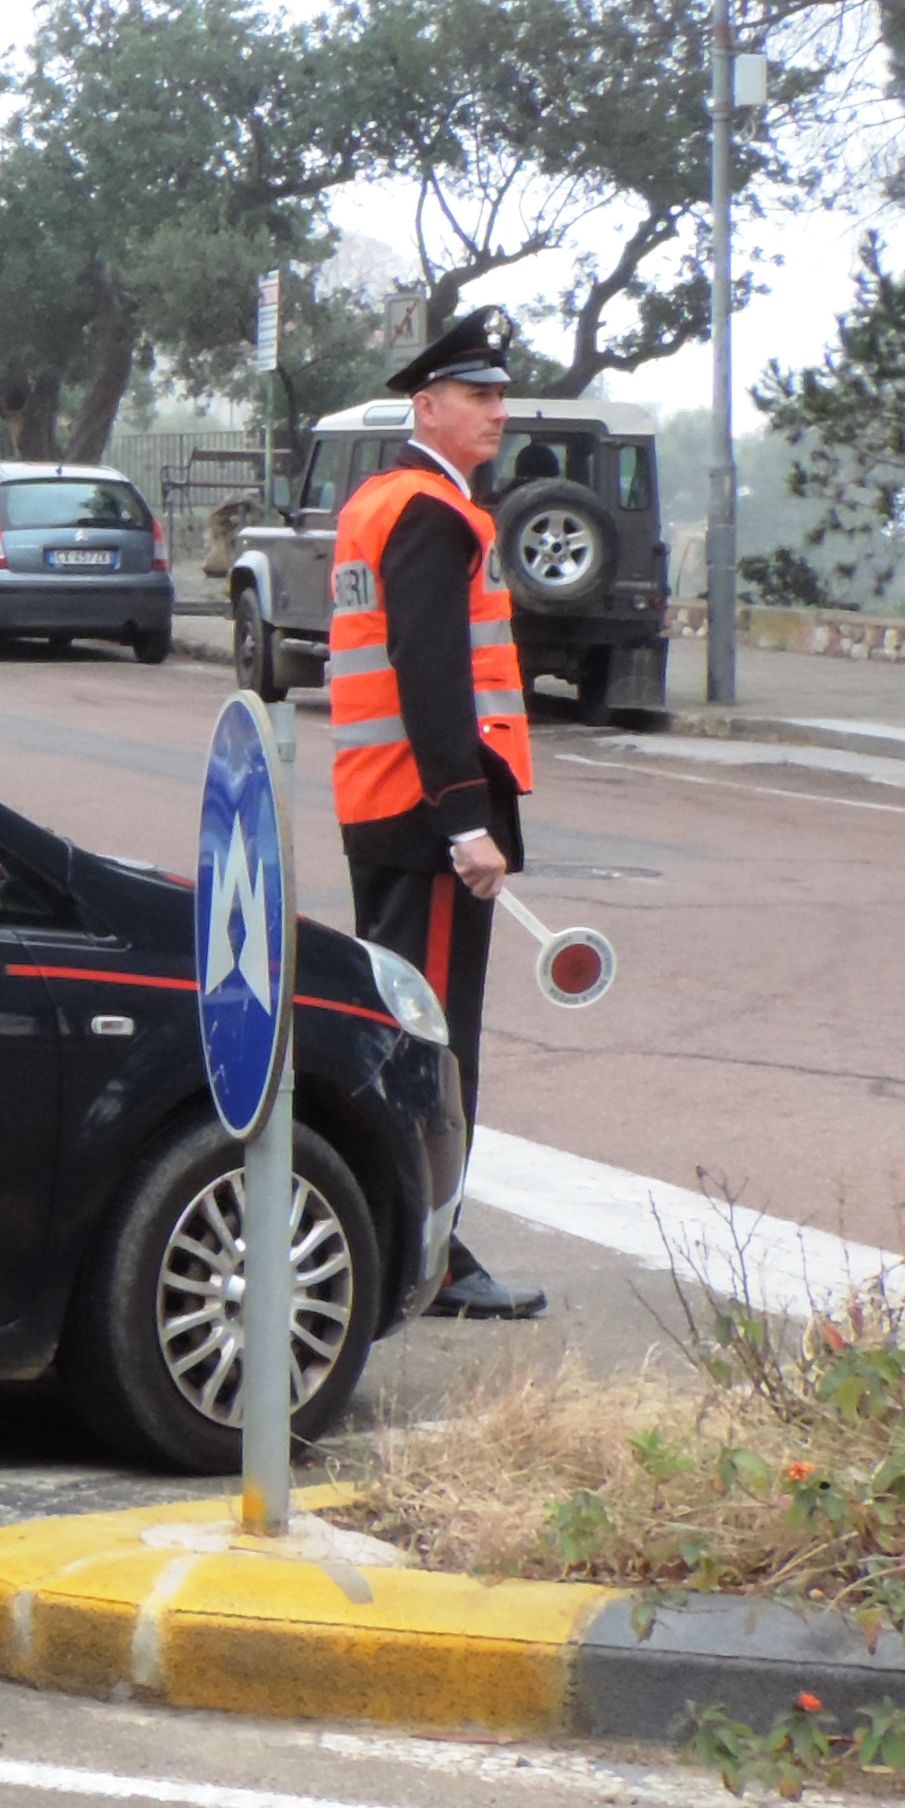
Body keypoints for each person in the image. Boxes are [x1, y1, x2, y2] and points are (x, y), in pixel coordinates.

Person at [327, 306, 546, 1321]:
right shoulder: (435, 512)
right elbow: (432, 675)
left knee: (397, 1027)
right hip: (430, 820)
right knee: (438, 1045)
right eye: (477, 395)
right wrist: (467, 820)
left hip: (382, 804)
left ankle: (391, 1234)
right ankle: (432, 1254)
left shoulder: (381, 500)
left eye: (501, 394)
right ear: (428, 405)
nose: (496, 410)